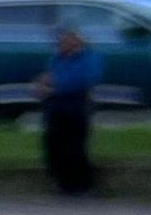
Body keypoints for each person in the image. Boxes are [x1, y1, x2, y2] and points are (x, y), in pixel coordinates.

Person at [39, 24, 103, 196]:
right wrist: (45, 87)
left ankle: (82, 186)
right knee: (54, 147)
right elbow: (48, 79)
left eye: (67, 39)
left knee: (75, 148)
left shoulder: (88, 58)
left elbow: (83, 81)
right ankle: (63, 184)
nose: (62, 43)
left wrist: (54, 88)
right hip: (56, 110)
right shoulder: (57, 59)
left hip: (76, 108)